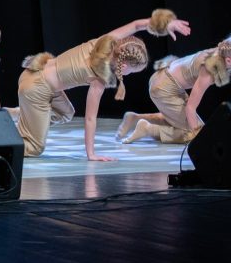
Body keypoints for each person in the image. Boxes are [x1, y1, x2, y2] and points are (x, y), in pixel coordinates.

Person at [15, 9, 189, 160]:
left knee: (66, 113)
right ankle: (10, 138)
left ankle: (25, 116)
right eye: (131, 72)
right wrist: (91, 154)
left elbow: (137, 25)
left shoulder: (105, 41)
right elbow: (90, 118)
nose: (129, 75)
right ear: (124, 66)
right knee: (34, 148)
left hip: (34, 70)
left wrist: (165, 24)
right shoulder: (100, 76)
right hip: (36, 88)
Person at [116, 36, 230, 144]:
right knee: (195, 134)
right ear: (229, 61)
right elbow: (190, 108)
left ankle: (135, 118)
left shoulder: (221, 52)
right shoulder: (209, 71)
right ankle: (147, 129)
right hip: (163, 87)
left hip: (163, 79)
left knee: (188, 125)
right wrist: (199, 139)